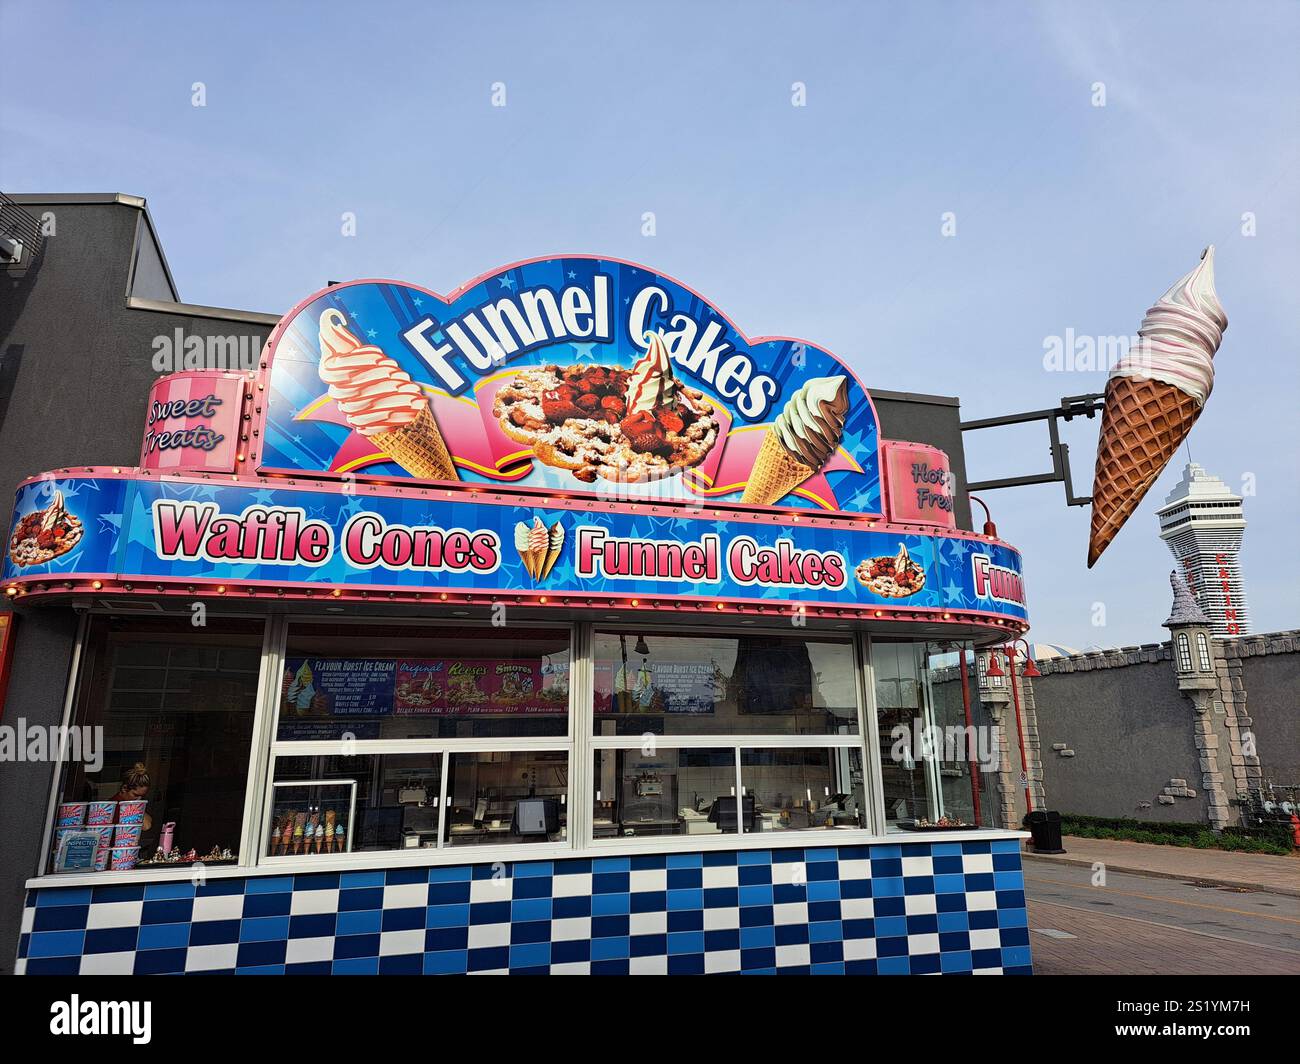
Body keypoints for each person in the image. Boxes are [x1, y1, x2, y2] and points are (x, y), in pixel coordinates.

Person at [112, 762, 153, 830]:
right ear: (124, 789)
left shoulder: (132, 804)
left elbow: (149, 820)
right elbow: (146, 826)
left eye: (142, 796)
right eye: (136, 795)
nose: (139, 799)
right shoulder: (115, 804)